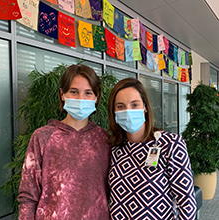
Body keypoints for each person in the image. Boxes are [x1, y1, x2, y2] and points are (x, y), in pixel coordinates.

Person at [17, 64, 111, 220]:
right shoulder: (42, 137)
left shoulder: (104, 139)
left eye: (88, 93)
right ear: (62, 94)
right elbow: (28, 195)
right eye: (74, 92)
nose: (81, 98)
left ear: (97, 97)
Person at [108, 78, 197, 220]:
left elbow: (187, 204)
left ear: (145, 107)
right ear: (114, 112)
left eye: (134, 104)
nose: (128, 111)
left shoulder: (170, 144)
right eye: (120, 106)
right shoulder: (115, 149)